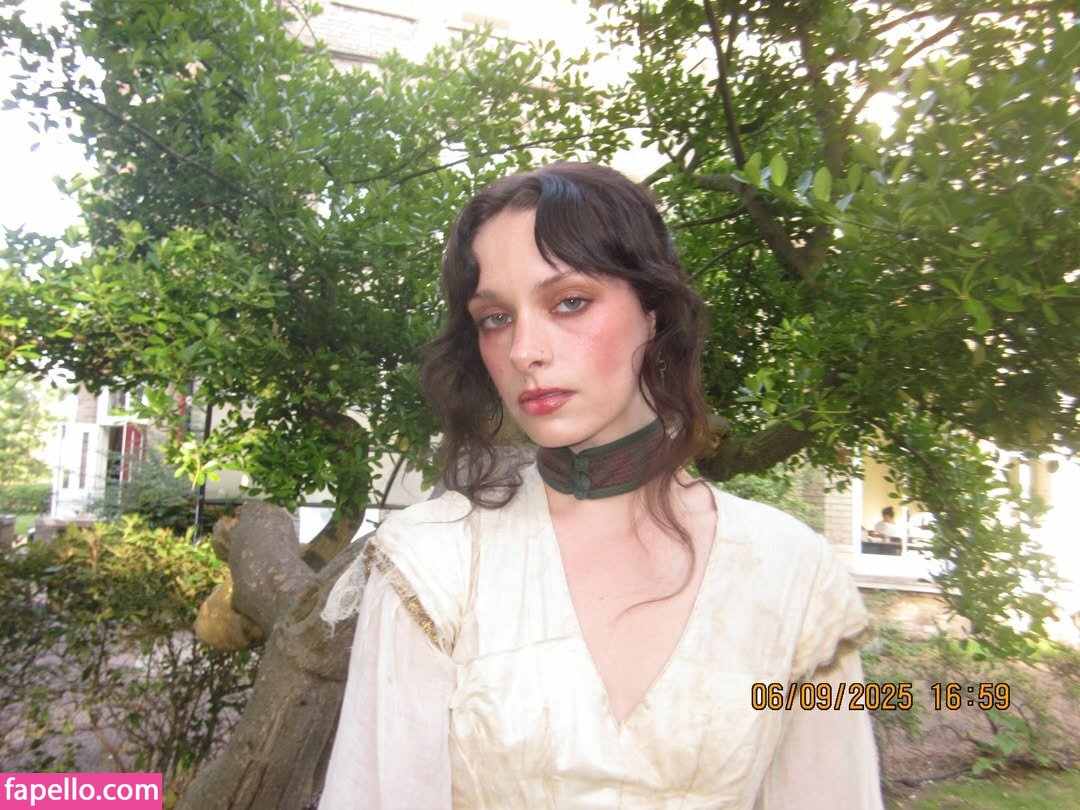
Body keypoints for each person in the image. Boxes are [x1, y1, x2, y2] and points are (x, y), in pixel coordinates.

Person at [318, 162, 883, 808]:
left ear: (653, 311)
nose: (525, 350)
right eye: (495, 317)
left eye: (570, 302)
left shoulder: (791, 575)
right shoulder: (434, 566)